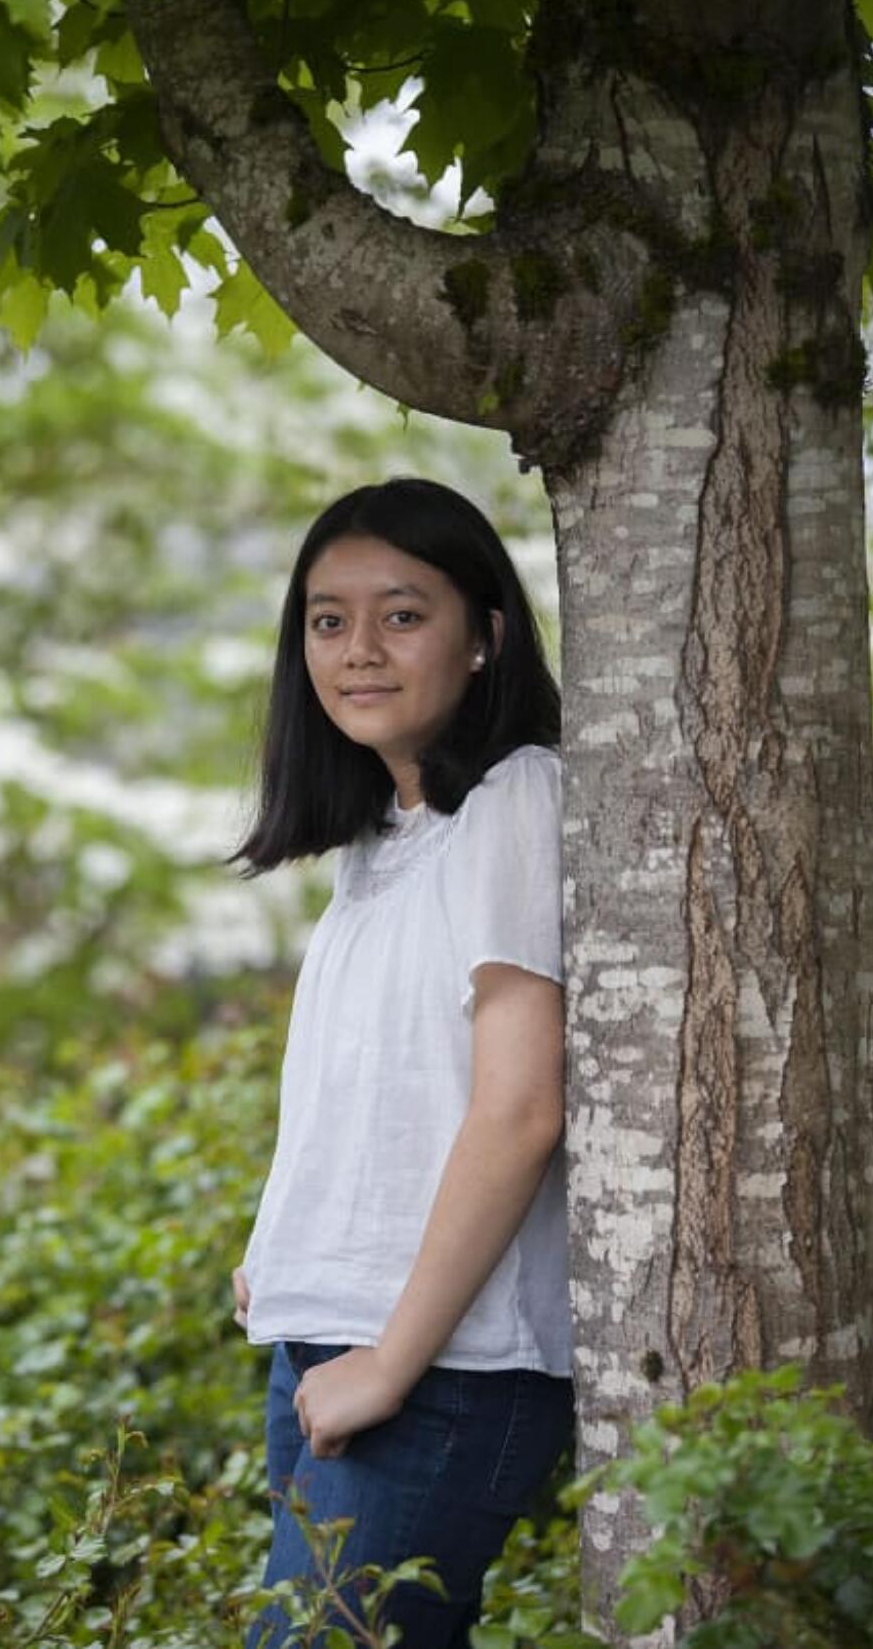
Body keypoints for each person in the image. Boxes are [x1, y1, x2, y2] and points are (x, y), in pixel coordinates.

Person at [230, 477, 574, 1649]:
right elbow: (378, 1094)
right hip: (332, 1346)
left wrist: (388, 1360)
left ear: (484, 635)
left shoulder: (517, 797)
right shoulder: (379, 840)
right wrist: (286, 1249)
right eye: (328, 620)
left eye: (402, 614)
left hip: (439, 1369)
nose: (357, 649)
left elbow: (520, 1108)